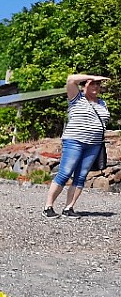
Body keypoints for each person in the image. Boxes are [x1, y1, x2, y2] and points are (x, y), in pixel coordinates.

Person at [43, 73, 111, 218]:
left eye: (98, 84)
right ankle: (48, 207)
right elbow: (70, 79)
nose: (96, 86)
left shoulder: (102, 103)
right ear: (84, 85)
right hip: (74, 141)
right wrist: (94, 76)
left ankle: (69, 208)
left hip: (93, 144)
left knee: (81, 177)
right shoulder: (76, 98)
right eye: (92, 83)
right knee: (65, 173)